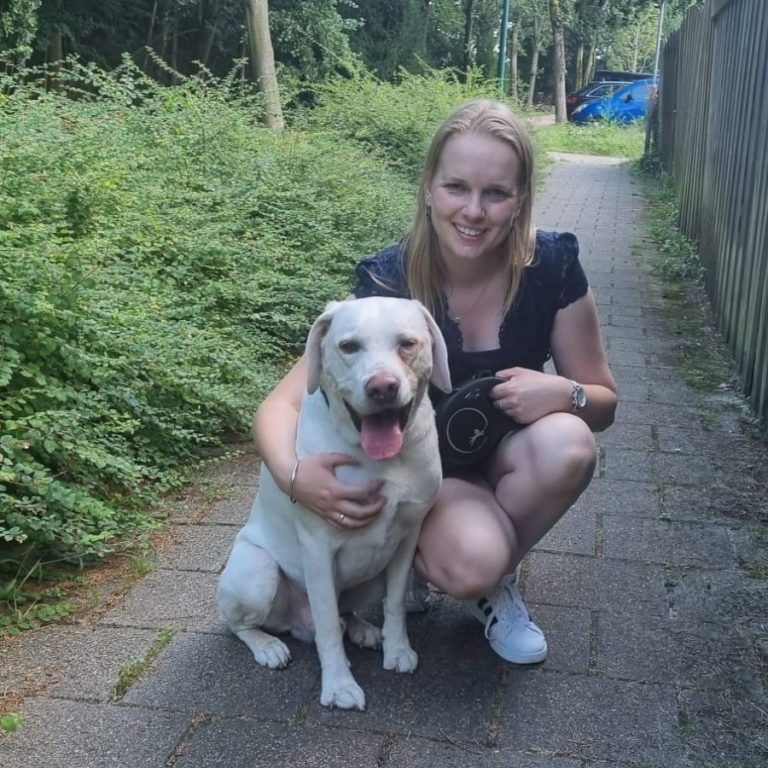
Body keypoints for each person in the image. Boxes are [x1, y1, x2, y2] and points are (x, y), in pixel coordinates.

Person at [252, 99, 618, 665]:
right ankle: (452, 561)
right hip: (425, 472)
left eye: (496, 193)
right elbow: (280, 406)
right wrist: (295, 479)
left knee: (571, 443)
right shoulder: (388, 283)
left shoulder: (552, 267)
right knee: (469, 564)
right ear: (428, 188)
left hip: (513, 458)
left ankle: (494, 583)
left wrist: (564, 394)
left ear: (520, 199)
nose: (473, 211)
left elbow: (604, 402)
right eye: (456, 187)